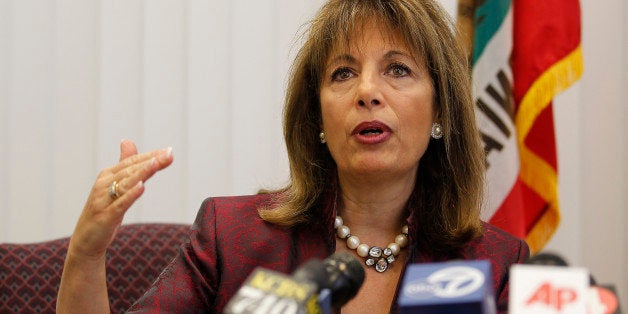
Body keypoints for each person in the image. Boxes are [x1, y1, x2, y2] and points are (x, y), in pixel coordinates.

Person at [57, 0, 529, 313]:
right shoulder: (234, 237)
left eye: (398, 69)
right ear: (319, 120)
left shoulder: (494, 264)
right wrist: (87, 253)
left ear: (440, 109)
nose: (367, 91)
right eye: (343, 73)